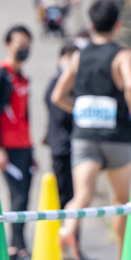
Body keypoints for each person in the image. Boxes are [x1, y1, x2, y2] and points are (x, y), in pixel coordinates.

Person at [51, 0, 131, 260]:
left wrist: (79, 110)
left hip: (85, 135)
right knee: (122, 202)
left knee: (81, 196)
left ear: (91, 24)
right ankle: (123, 254)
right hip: (117, 136)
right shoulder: (122, 54)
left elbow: (58, 96)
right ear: (118, 24)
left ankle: (67, 229)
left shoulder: (79, 55)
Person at [0, 25, 35, 260]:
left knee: (25, 195)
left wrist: (32, 148)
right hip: (8, 145)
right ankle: (16, 247)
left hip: (25, 145)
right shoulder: (0, 75)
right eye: (18, 45)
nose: (23, 49)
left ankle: (19, 245)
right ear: (8, 45)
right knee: (18, 196)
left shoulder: (22, 77)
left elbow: (26, 115)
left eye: (27, 45)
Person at [45, 42, 79, 209]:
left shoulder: (75, 84)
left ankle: (72, 234)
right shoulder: (56, 84)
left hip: (73, 147)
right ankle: (66, 233)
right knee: (65, 197)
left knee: (75, 197)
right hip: (62, 147)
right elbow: (60, 115)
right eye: (68, 59)